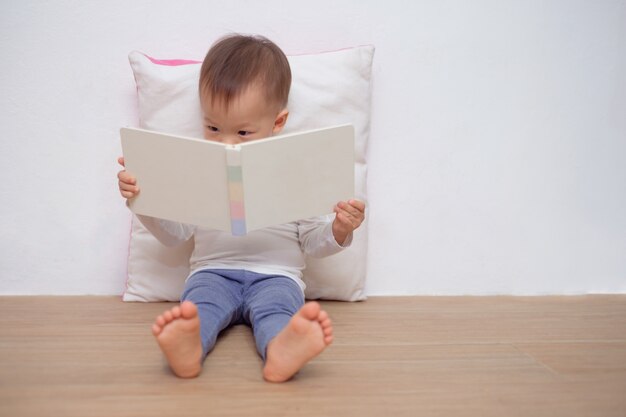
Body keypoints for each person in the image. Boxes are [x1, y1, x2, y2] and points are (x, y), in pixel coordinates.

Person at [117, 34, 365, 382]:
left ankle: (281, 350)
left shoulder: (294, 170)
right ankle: (188, 349)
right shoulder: (198, 169)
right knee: (198, 308)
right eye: (213, 127)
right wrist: (144, 201)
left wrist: (340, 228)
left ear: (277, 123)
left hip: (277, 276)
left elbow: (312, 241)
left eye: (244, 132)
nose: (227, 142)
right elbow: (175, 236)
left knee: (279, 311)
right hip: (212, 271)